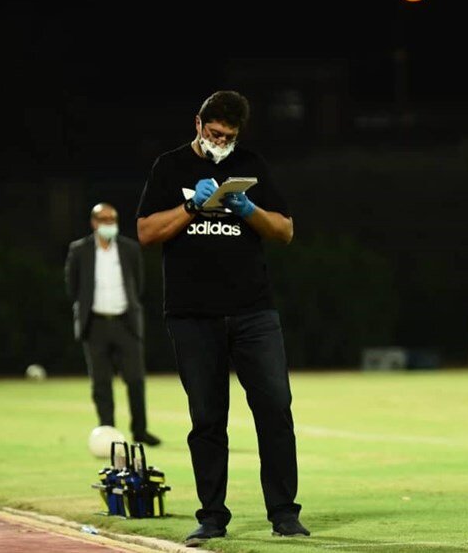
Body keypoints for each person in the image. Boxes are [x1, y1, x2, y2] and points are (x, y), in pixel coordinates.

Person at [135, 90, 309, 547]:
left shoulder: (250, 164)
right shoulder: (170, 167)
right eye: (214, 134)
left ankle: (284, 514)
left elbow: (285, 231)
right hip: (193, 316)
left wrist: (249, 209)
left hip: (254, 311)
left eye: (229, 137)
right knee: (208, 418)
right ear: (198, 123)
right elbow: (147, 232)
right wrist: (192, 207)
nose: (221, 143)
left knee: (275, 409)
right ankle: (212, 516)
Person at [65, 202, 161, 447]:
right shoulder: (79, 250)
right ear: (94, 223)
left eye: (113, 219)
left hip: (125, 322)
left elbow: (137, 285)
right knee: (101, 382)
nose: (110, 224)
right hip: (95, 324)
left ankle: (140, 430)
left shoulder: (129, 249)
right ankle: (108, 431)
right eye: (104, 219)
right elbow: (72, 286)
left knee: (136, 380)